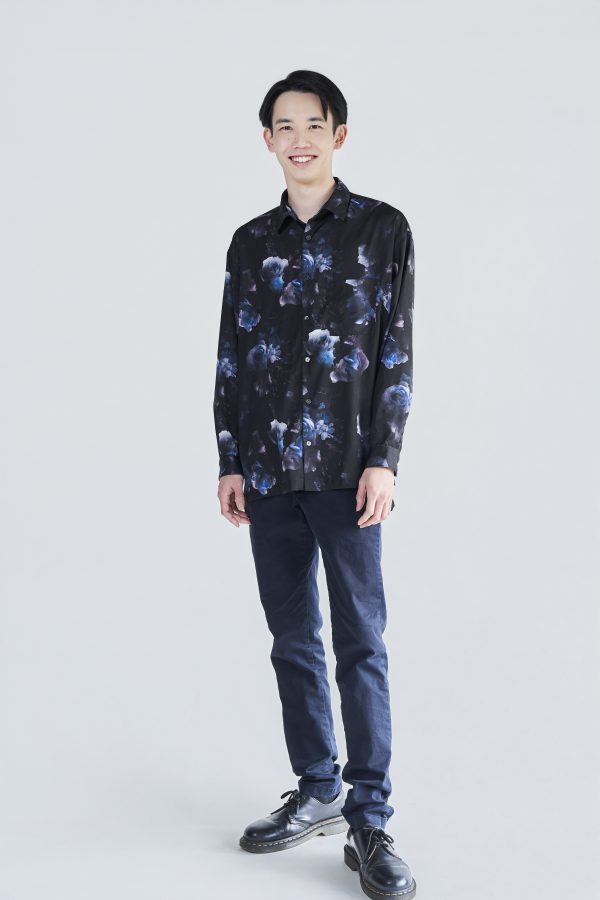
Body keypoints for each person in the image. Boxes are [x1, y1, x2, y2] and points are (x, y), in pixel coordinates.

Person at [212, 69, 417, 900]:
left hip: (347, 474)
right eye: (285, 126)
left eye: (314, 124)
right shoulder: (248, 242)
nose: (300, 139)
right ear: (268, 140)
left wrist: (384, 458)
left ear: (339, 135)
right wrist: (230, 458)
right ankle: (319, 785)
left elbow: (396, 349)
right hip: (267, 474)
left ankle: (370, 820)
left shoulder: (382, 229)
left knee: (361, 643)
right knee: (293, 640)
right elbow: (231, 355)